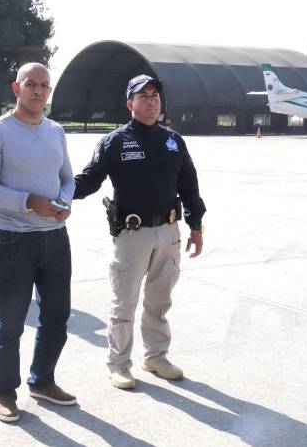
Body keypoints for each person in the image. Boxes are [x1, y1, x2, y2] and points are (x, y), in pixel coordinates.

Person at [73, 74, 206, 389]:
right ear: (130, 103)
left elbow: (189, 184)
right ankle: (118, 363)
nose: (151, 101)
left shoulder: (173, 140)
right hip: (133, 234)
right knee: (125, 302)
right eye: (142, 96)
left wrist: (196, 224)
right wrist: (60, 189)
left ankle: (156, 356)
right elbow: (90, 179)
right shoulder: (114, 141)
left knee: (160, 299)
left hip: (169, 232)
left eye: (154, 95)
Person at [0, 63, 76, 422]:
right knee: (11, 321)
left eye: (44, 85)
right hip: (15, 240)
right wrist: (29, 201)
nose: (38, 91)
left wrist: (65, 201)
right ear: (16, 88)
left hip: (55, 239)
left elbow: (67, 177)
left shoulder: (55, 131)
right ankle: (4, 391)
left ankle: (42, 380)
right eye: (31, 84)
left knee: (56, 316)